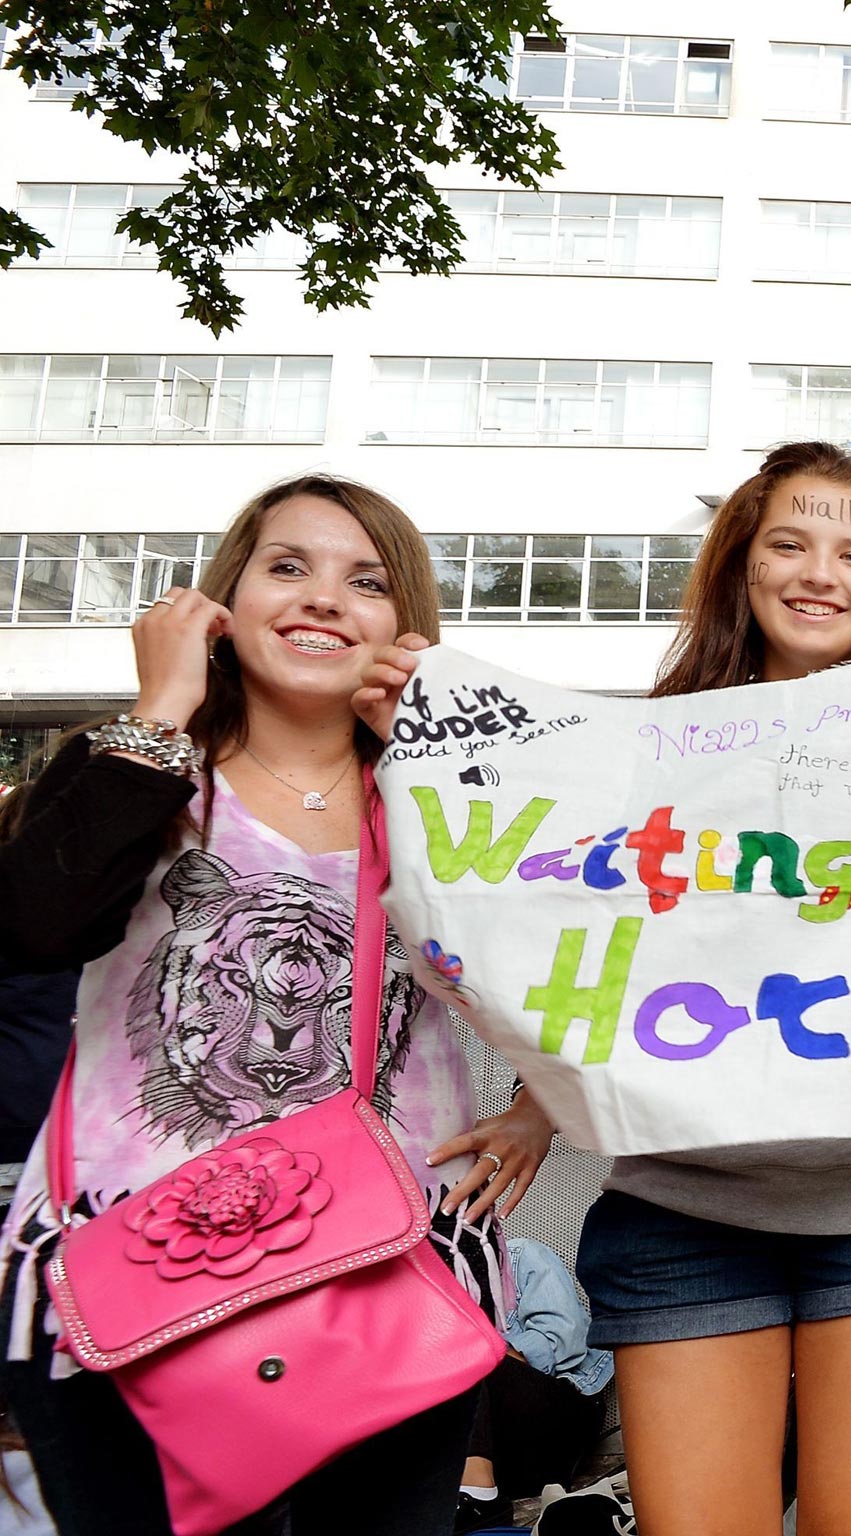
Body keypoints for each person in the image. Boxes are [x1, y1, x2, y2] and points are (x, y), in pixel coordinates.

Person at [358, 441, 851, 1536]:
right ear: (740, 567)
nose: (820, 572)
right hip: (684, 1209)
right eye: (789, 544)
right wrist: (540, 1106)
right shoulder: (641, 746)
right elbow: (601, 948)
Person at [0, 474, 551, 1536]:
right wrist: (161, 708)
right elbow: (37, 928)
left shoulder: (453, 795)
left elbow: (579, 965)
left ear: (405, 626)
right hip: (129, 1280)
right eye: (286, 566)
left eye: (367, 582)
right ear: (223, 599)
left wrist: (538, 1108)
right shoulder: (139, 767)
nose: (323, 599)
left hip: (388, 1277)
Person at [456, 1237, 615, 1533]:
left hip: (556, 1425)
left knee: (457, 1344)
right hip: (495, 1458)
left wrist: (479, 1341)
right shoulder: (406, 1287)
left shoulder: (518, 1256)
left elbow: (566, 1342)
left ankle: (479, 1499)